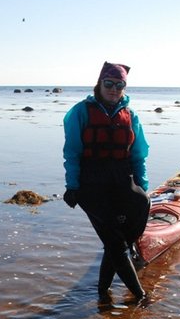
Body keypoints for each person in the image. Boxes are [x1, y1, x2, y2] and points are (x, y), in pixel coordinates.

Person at [62, 61, 151, 302]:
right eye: (108, 83)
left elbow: (139, 154)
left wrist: (142, 186)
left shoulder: (130, 115)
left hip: (122, 181)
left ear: (124, 87)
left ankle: (103, 292)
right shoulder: (80, 112)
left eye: (119, 85)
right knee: (115, 241)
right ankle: (141, 297)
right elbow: (72, 152)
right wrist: (72, 186)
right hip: (92, 185)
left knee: (138, 214)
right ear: (99, 84)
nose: (113, 89)